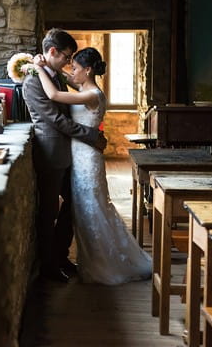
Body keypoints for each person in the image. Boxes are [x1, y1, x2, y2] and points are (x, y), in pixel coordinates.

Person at [31, 46, 152, 285]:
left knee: (91, 209)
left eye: (75, 67)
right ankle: (88, 258)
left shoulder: (91, 94)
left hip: (86, 159)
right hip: (81, 154)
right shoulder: (86, 88)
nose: (70, 71)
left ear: (87, 70)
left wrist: (37, 68)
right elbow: (66, 78)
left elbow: (54, 95)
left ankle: (103, 262)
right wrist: (48, 66)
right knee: (86, 209)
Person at [22, 28, 107, 283]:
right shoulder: (33, 82)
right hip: (50, 153)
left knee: (73, 206)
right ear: (52, 52)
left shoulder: (55, 76)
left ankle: (60, 256)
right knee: (49, 212)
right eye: (67, 57)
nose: (70, 63)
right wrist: (92, 136)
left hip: (70, 153)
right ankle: (48, 266)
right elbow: (57, 120)